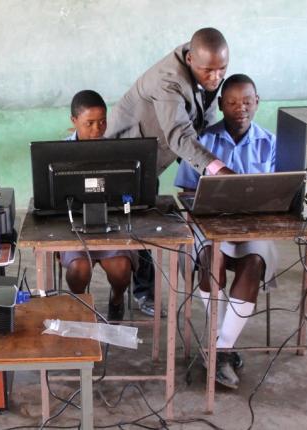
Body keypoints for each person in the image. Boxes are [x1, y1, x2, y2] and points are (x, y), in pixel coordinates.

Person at [106, 27, 233, 317]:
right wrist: (219, 170)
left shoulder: (205, 66)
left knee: (157, 216)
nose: (215, 77)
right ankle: (141, 292)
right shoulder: (169, 79)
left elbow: (198, 122)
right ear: (190, 59)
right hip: (127, 157)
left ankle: (154, 286)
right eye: (208, 70)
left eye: (222, 69)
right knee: (136, 222)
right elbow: (179, 136)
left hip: (157, 153)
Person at [174, 74, 277, 389]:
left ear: (257, 101)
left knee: (254, 262)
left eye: (247, 101)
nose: (240, 108)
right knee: (209, 255)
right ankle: (223, 349)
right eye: (232, 102)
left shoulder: (270, 142)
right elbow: (185, 192)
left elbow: (280, 191)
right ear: (220, 105)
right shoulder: (203, 142)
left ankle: (219, 347)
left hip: (253, 228)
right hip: (212, 227)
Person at [61, 90, 138, 321]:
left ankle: (116, 299)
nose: (97, 129)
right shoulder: (58, 152)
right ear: (74, 121)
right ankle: (82, 305)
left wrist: (128, 199)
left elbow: (130, 192)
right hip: (74, 227)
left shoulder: (116, 151)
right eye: (89, 123)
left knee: (121, 268)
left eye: (102, 122)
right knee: (79, 269)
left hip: (110, 223)